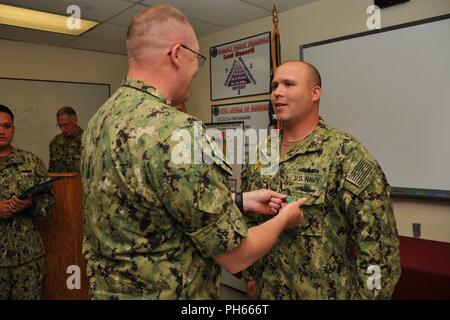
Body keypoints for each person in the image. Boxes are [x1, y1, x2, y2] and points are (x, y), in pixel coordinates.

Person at [80, 5, 304, 300]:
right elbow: (236, 256)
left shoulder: (100, 119)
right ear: (176, 54)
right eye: (197, 59)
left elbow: (153, 205)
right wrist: (284, 219)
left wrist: (238, 200)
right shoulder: (178, 131)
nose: (197, 70)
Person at [242, 61, 401, 300]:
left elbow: (379, 247)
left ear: (315, 93)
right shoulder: (261, 152)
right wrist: (250, 275)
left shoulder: (345, 154)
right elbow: (247, 220)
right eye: (274, 85)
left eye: (289, 84)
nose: (277, 92)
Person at [0, 104, 55, 300]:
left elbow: (48, 203)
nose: (1, 131)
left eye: (6, 126)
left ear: (13, 129)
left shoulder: (30, 162)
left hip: (27, 261)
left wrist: (30, 205)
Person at [48, 106, 83, 173]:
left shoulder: (86, 140)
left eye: (65, 125)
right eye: (60, 126)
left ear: (75, 120)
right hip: (60, 183)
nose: (63, 129)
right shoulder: (55, 142)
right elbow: (51, 171)